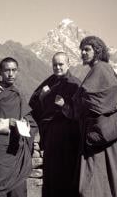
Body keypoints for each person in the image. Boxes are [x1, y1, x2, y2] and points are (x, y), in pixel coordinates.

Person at [59, 36, 117, 197]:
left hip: (99, 135)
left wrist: (72, 104)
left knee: (91, 182)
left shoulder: (101, 70)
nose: (83, 53)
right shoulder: (101, 69)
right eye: (82, 50)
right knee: (104, 178)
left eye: (87, 49)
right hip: (103, 134)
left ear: (98, 51)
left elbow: (99, 98)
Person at [0, 57, 37, 197]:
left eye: (14, 70)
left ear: (18, 72)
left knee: (18, 190)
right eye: (7, 70)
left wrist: (26, 123)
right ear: (0, 72)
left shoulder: (19, 93)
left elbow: (28, 117)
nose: (11, 74)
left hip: (17, 148)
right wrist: (7, 123)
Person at [29, 52, 81, 197]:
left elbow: (80, 112)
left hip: (68, 137)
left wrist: (65, 106)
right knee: (51, 174)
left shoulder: (75, 84)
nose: (57, 67)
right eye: (54, 65)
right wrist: (42, 97)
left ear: (68, 65)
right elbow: (35, 102)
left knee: (66, 174)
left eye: (61, 64)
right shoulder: (50, 82)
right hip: (51, 135)